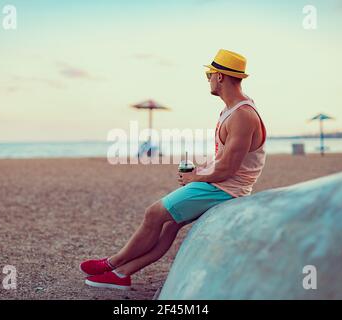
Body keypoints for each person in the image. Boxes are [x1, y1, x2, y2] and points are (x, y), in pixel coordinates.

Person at [79, 49, 267, 290]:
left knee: (153, 213)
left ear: (220, 76)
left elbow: (229, 169)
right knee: (168, 225)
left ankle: (111, 263)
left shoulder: (242, 115)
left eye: (209, 74)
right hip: (221, 183)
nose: (208, 79)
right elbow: (227, 158)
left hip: (226, 189)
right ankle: (122, 274)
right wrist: (204, 168)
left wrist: (194, 177)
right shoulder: (232, 110)